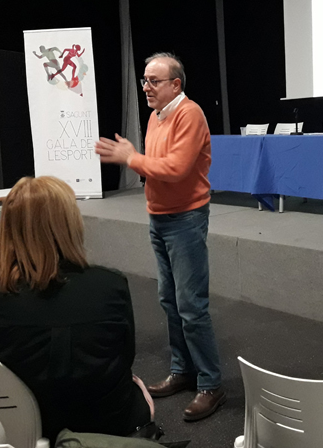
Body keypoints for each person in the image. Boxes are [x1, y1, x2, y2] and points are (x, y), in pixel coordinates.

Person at [0, 176, 154, 441]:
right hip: (108, 430)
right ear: (71, 224)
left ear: (8, 228)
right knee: (138, 388)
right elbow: (125, 357)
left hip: (24, 430)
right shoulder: (111, 285)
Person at [95, 52, 225, 421]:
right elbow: (157, 168)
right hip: (160, 218)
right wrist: (138, 161)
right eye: (145, 81)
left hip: (185, 219)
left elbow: (176, 168)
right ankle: (183, 371)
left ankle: (211, 384)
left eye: (154, 81)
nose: (146, 87)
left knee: (191, 306)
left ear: (175, 84)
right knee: (169, 300)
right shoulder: (156, 116)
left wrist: (131, 158)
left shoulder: (190, 114)